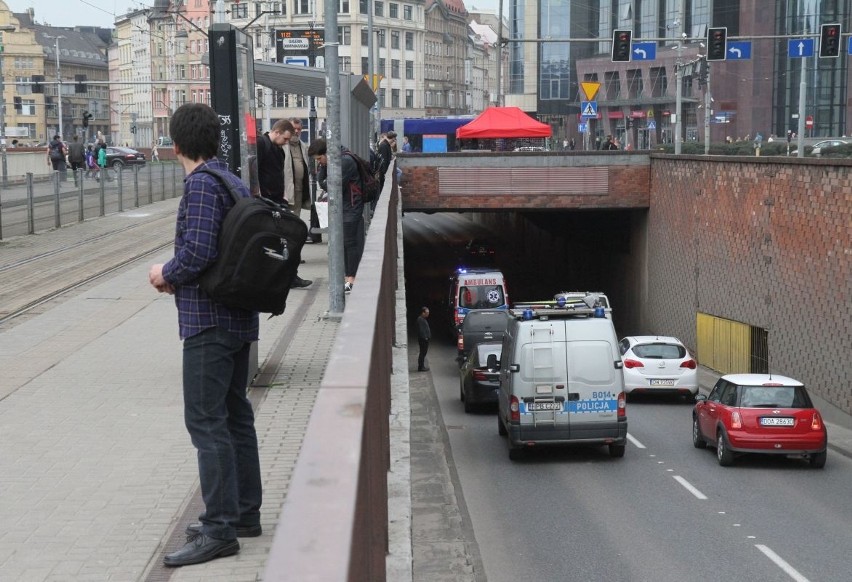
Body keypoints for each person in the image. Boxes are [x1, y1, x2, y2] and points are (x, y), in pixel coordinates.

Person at [148, 103, 262, 568]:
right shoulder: (231, 180)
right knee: (236, 416)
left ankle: (218, 528)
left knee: (205, 422)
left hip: (207, 322)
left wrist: (164, 273)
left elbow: (196, 252)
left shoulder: (199, 185)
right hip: (238, 319)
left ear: (175, 145)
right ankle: (242, 514)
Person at [257, 119, 312, 288]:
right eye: (285, 139)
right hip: (266, 202)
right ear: (277, 132)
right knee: (281, 240)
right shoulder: (262, 144)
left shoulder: (278, 149)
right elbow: (256, 173)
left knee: (288, 239)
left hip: (278, 201)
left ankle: (289, 276)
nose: (287, 143)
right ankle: (283, 278)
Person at [308, 137, 363, 293]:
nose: (319, 162)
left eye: (320, 158)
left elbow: (331, 186)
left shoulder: (344, 162)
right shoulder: (337, 159)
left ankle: (351, 279)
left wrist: (322, 175)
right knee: (345, 242)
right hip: (346, 206)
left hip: (351, 207)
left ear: (327, 153)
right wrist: (324, 168)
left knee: (349, 242)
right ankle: (348, 277)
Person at [417, 306, 431, 372]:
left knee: (423, 353)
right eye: (427, 312)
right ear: (423, 313)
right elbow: (421, 330)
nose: (428, 314)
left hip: (424, 339)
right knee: (422, 353)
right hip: (423, 340)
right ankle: (421, 366)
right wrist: (425, 337)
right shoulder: (420, 319)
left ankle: (422, 366)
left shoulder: (423, 319)